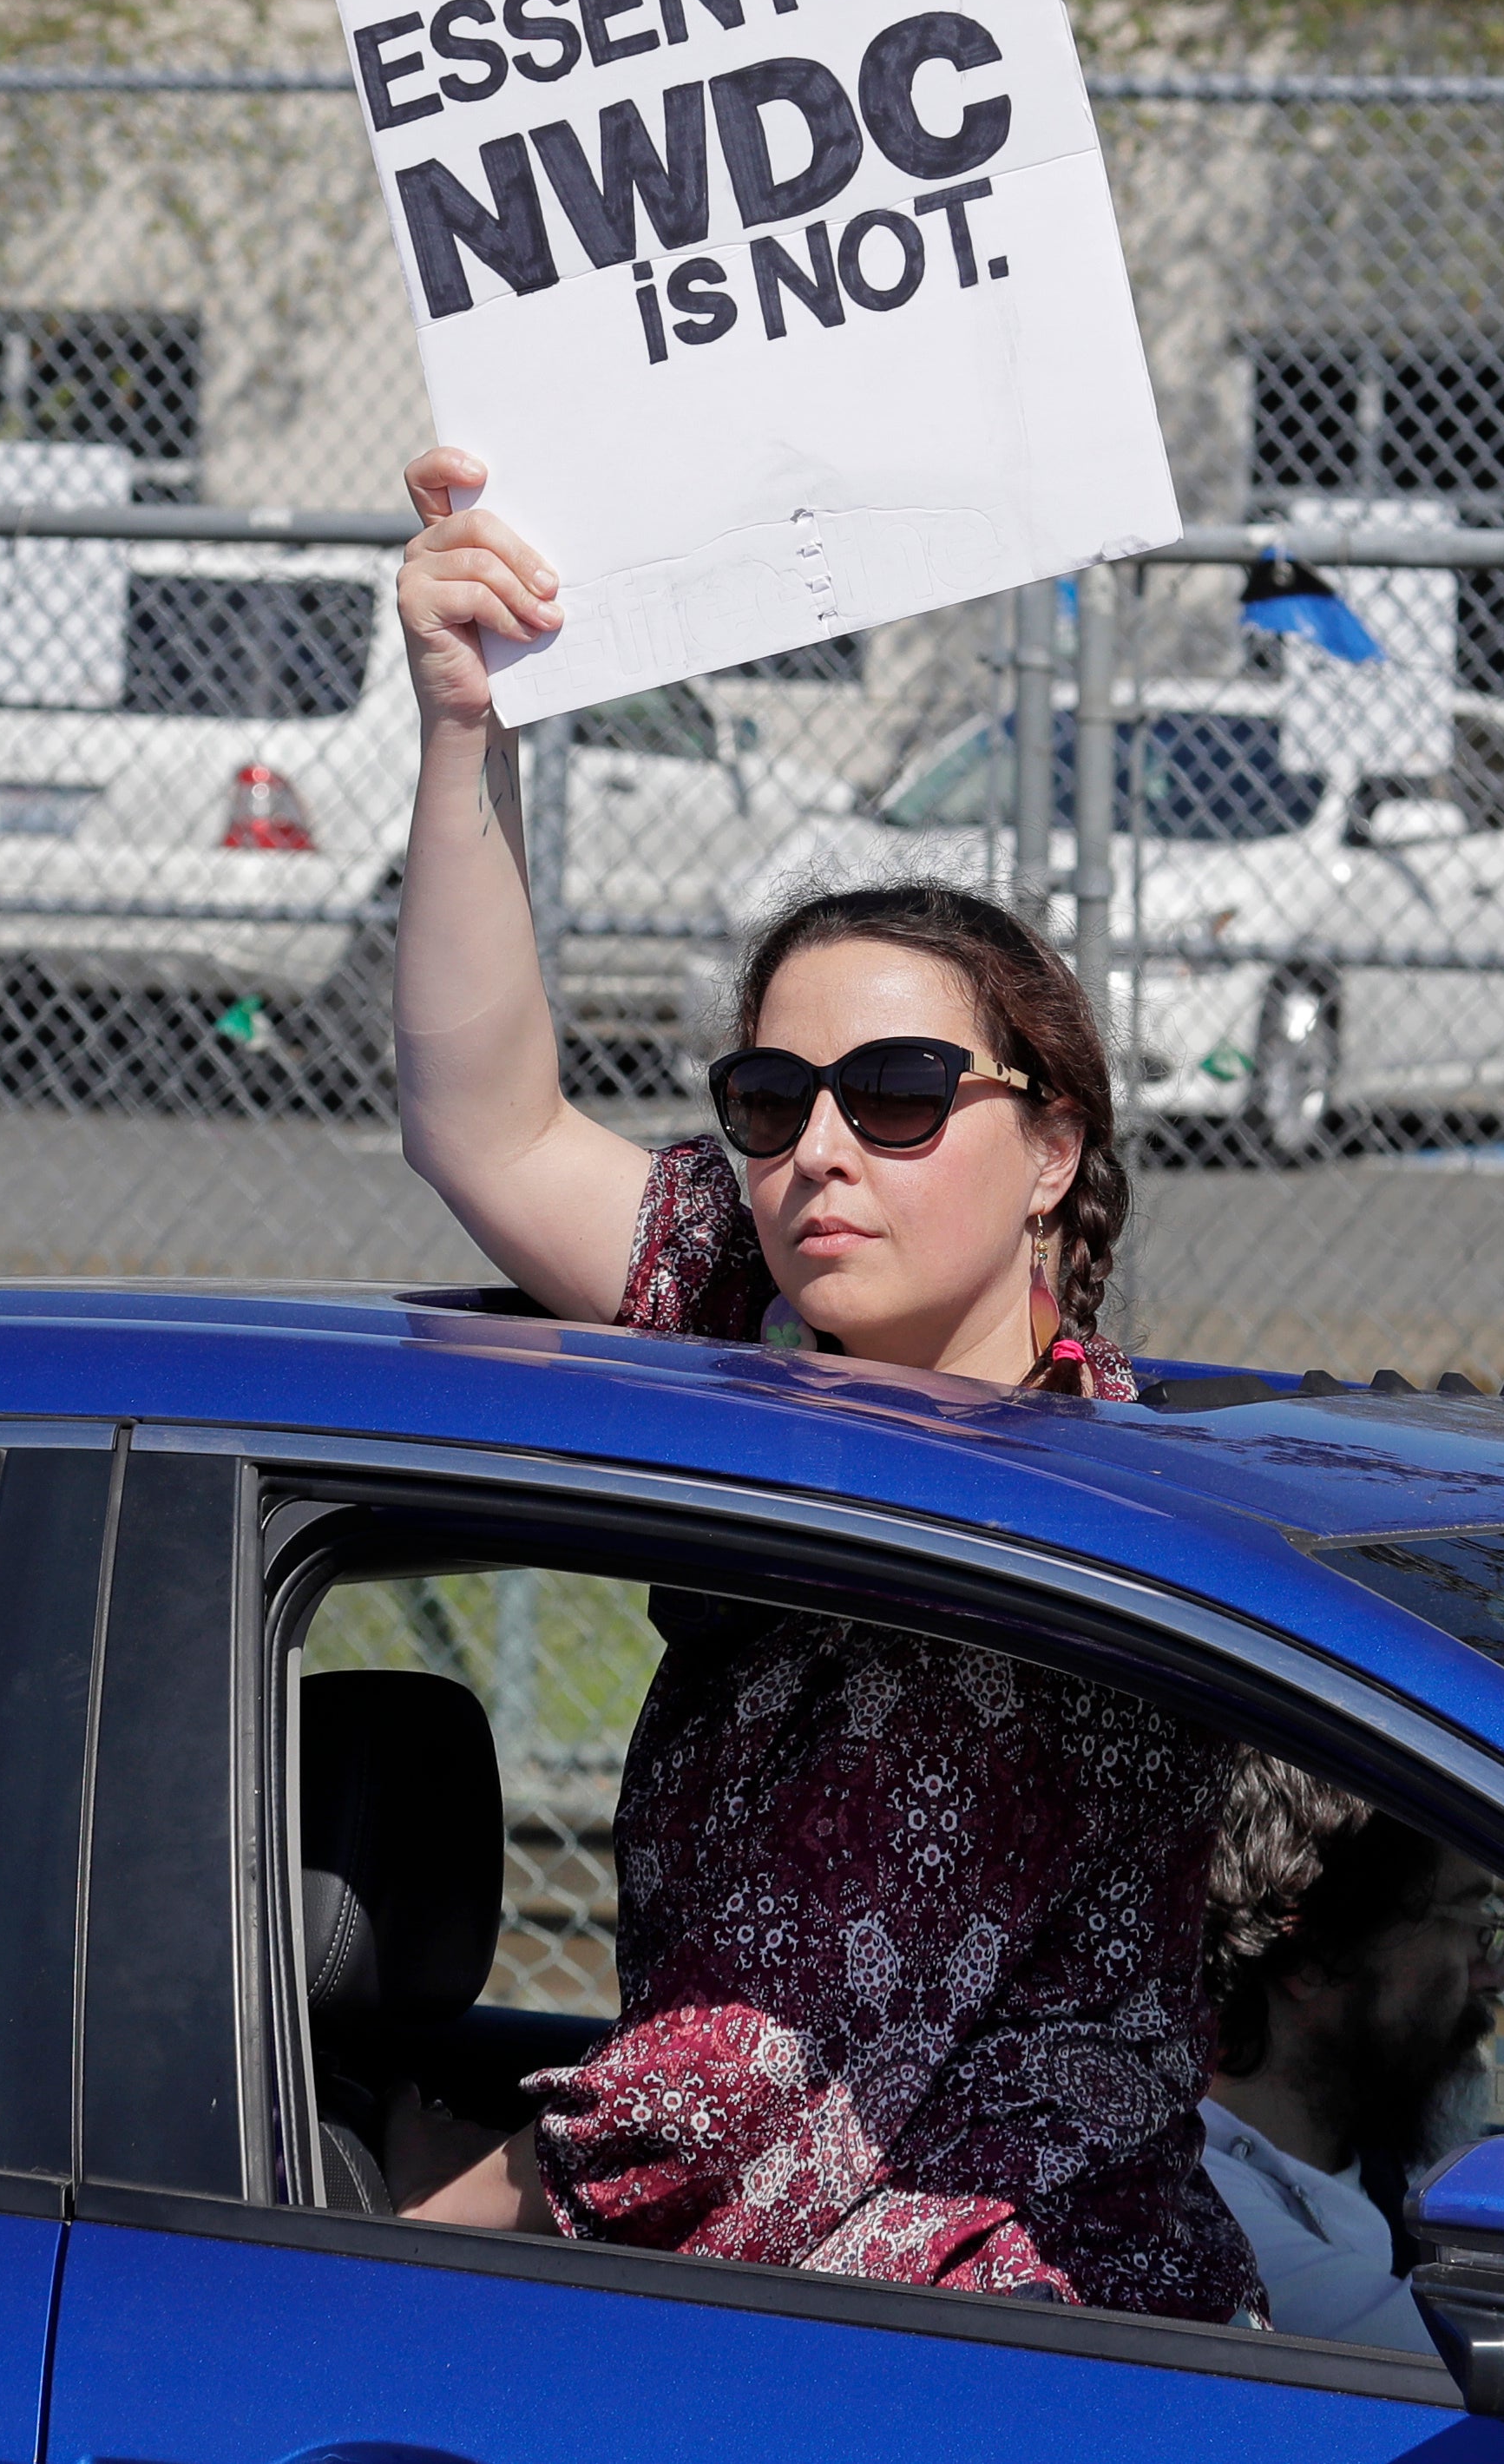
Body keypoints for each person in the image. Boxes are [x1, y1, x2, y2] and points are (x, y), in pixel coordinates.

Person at [384, 444, 1255, 2321]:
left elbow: (735, 2095)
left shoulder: (1030, 1542)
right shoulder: (757, 1307)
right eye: (772, 1106)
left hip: (977, 2339)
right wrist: (466, 718)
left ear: (1048, 1150)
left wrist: (333, 2272)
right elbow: (483, 1123)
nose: (821, 1154)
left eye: (901, 1096)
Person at [1195, 1762, 1504, 2349]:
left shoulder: (1389, 2161)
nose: (1499, 1970)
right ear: (1315, 1957)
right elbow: (1486, 2360)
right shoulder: (1212, 2216)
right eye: (1472, 1926)